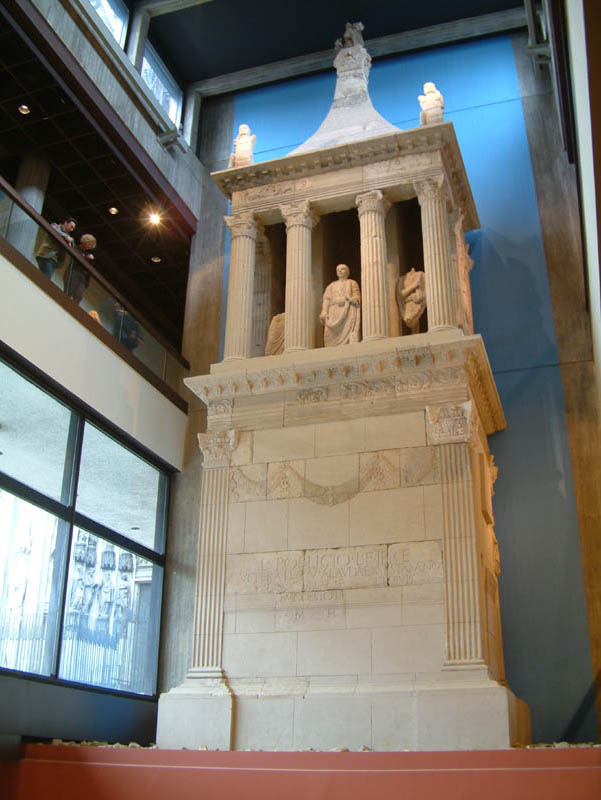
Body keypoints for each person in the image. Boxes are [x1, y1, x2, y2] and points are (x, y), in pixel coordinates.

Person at [320, 263, 361, 347]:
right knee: (330, 336)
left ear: (348, 272)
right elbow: (326, 299)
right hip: (333, 312)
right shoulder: (331, 286)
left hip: (347, 311)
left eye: (342, 269)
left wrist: (353, 299)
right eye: (338, 270)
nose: (340, 271)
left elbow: (356, 296)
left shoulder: (352, 283)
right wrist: (324, 311)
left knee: (348, 329)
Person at [63, 233, 96, 305]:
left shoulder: (88, 254)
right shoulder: (76, 248)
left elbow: (89, 269)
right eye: (89, 244)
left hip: (82, 277)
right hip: (73, 273)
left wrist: (91, 260)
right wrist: (87, 258)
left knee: (79, 296)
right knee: (69, 292)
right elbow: (76, 259)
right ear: (85, 242)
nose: (90, 246)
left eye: (91, 245)